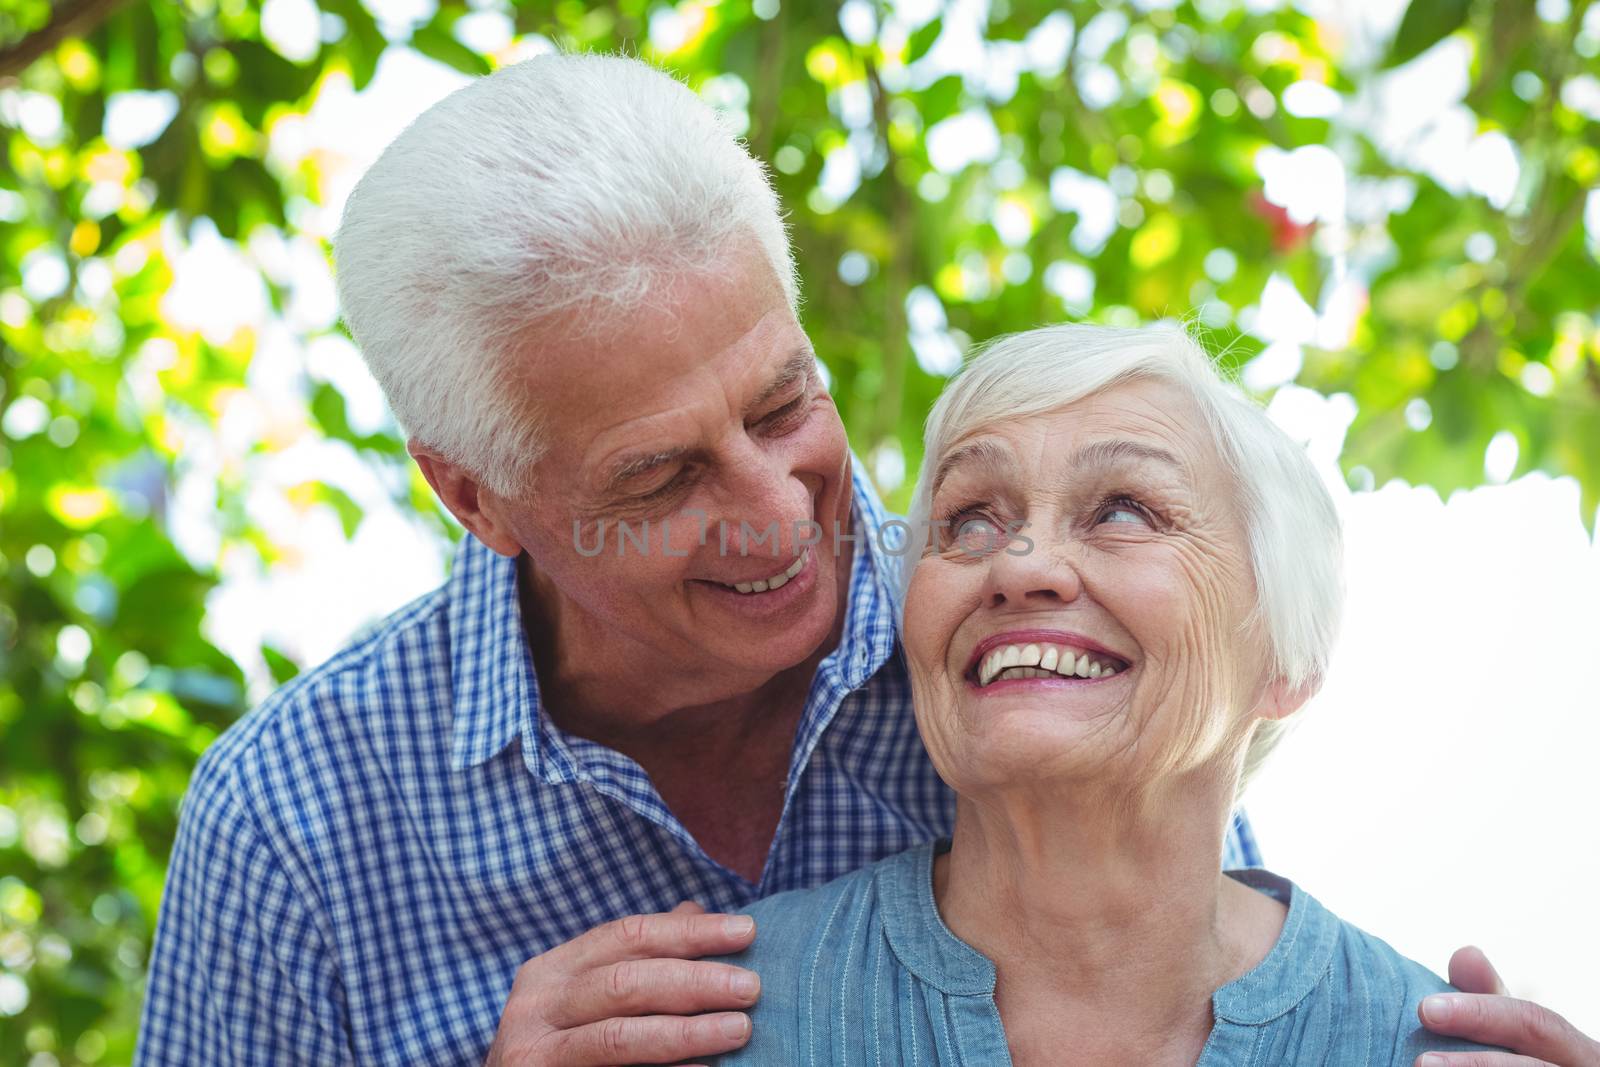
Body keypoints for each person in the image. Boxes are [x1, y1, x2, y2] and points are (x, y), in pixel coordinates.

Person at [132, 53, 1598, 1067]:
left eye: (786, 403)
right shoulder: (298, 821)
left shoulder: (1001, 644)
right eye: (660, 476)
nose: (778, 512)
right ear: (480, 499)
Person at [710, 322, 1496, 1065]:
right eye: (971, 521)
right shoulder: (715, 1021)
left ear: (1286, 659)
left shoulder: (1427, 1045)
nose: (1020, 566)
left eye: (1124, 510)